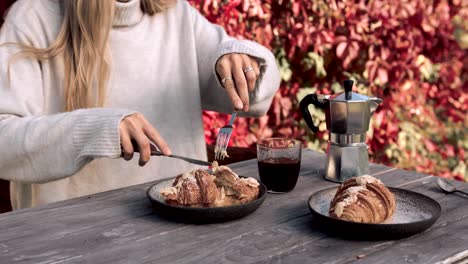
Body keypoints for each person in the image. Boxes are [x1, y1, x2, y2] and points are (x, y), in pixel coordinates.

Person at [0, 0, 280, 210]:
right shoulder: (34, 16)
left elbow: (254, 99)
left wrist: (241, 60)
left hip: (177, 233)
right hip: (68, 241)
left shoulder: (175, 13)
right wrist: (97, 129)